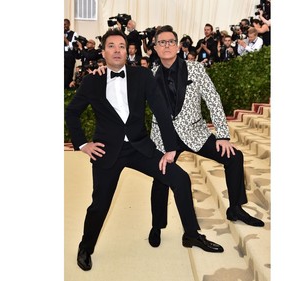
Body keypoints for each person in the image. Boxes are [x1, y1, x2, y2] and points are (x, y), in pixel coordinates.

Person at [65, 28, 224, 272]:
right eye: (111, 46)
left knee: (180, 179)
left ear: (128, 51)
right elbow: (72, 113)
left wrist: (170, 148)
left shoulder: (142, 76)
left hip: (140, 147)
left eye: (121, 46)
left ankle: (191, 234)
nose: (117, 50)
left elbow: (161, 110)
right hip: (107, 151)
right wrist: (84, 144)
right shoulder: (92, 80)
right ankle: (86, 246)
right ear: (103, 51)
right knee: (100, 203)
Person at [146, 25, 265, 247]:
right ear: (155, 47)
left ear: (178, 44)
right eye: (161, 42)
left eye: (171, 41)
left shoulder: (195, 69)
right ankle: (156, 226)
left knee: (234, 157)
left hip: (195, 132)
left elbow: (213, 99)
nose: (167, 45)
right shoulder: (149, 75)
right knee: (161, 179)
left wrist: (222, 135)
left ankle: (236, 208)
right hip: (164, 138)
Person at [64, 18, 78, 89]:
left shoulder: (74, 34)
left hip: (69, 57)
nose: (63, 26)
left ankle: (66, 90)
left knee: (68, 75)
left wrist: (65, 39)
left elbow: (73, 46)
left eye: (65, 24)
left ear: (69, 24)